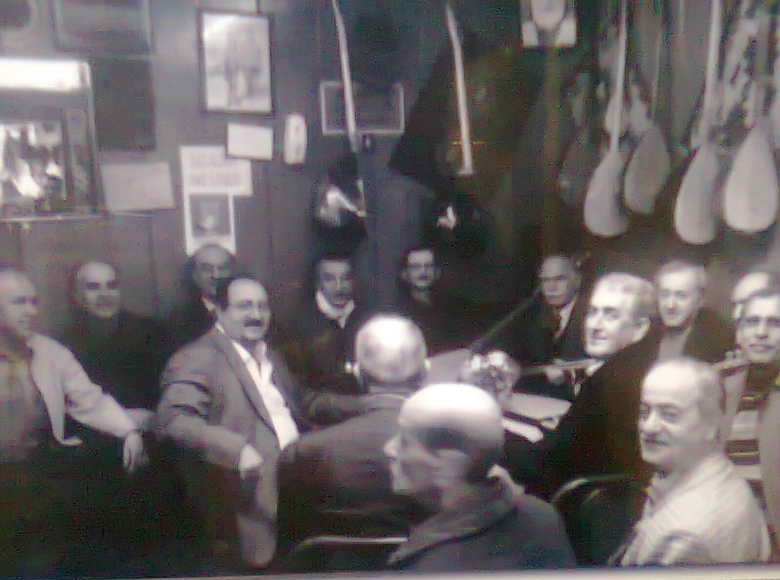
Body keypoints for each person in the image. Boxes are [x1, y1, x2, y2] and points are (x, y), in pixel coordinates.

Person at [0, 267, 145, 576]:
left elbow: (90, 399)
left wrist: (129, 430)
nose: (32, 311)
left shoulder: (50, 352)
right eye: (19, 302)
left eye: (34, 302)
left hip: (36, 473)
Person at [157, 274, 307, 570]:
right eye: (244, 306)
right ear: (219, 311)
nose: (256, 315)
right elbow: (173, 420)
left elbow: (303, 402)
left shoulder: (270, 354)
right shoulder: (197, 357)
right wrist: (237, 449)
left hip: (295, 489)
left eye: (262, 306)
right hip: (248, 502)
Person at [277, 315, 428, 558]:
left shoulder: (303, 453)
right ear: (425, 372)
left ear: (357, 373)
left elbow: (290, 539)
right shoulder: (454, 446)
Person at [382, 382, 575, 571]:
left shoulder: (432, 569)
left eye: (405, 442)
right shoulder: (542, 514)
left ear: (451, 465)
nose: (389, 448)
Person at [615, 358, 770, 566]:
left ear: (711, 424)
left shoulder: (684, 539)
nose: (648, 427)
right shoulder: (711, 471)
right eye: (645, 412)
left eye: (669, 415)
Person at [539, 272, 658, 496]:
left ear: (640, 328)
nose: (595, 325)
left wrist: (499, 435)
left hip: (578, 504)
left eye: (610, 315)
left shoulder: (609, 381)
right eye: (593, 312)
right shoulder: (640, 368)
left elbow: (546, 463)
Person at [482, 254, 587, 399]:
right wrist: (504, 358)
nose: (551, 287)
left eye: (559, 279)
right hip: (539, 399)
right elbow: (514, 344)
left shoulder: (592, 314)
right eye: (545, 280)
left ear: (577, 281)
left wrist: (570, 376)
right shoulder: (533, 310)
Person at [729, 288, 780, 545]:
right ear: (739, 333)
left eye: (775, 323)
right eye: (752, 321)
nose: (761, 332)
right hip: (725, 537)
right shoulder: (716, 387)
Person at [284, 253, 367, 395]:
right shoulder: (297, 326)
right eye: (329, 279)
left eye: (346, 278)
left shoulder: (368, 319)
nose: (339, 287)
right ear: (318, 283)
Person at [654, 260, 732, 363]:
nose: (670, 305)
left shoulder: (720, 340)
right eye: (665, 295)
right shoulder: (645, 334)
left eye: (681, 296)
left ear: (700, 300)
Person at [395, 246, 461, 354]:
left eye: (429, 266)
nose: (423, 272)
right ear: (404, 274)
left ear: (437, 272)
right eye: (416, 267)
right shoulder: (397, 314)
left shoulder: (454, 308)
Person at [168, 243, 236, 348]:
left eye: (222, 268)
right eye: (207, 269)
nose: (216, 275)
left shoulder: (247, 310)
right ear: (195, 275)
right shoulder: (180, 320)